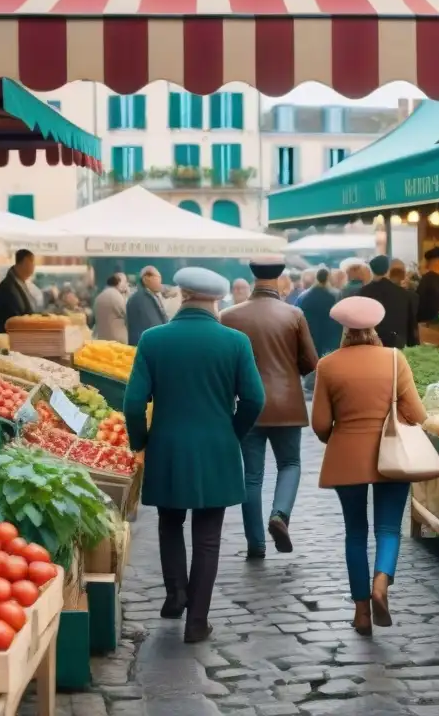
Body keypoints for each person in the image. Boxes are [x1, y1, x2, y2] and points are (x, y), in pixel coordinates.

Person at [123, 267, 265, 643]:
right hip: (217, 447)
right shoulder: (235, 342)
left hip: (167, 446)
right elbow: (254, 399)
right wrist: (231, 432)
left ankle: (176, 593)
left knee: (169, 523)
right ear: (216, 300)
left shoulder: (153, 340)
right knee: (208, 537)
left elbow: (134, 402)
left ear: (182, 294)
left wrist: (141, 441)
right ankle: (197, 620)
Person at [311, 296, 427, 636]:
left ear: (344, 329)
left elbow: (320, 424)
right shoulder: (394, 360)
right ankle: (381, 582)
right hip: (394, 457)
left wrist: (340, 434)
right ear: (375, 327)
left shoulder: (328, 365)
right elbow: (418, 415)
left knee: (355, 532)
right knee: (388, 528)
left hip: (346, 456)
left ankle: (362, 613)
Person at [221, 257, 318, 558]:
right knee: (290, 464)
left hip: (248, 405)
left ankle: (255, 544)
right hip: (287, 403)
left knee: (251, 475)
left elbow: (225, 365)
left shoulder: (228, 316)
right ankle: (280, 514)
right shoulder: (294, 314)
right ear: (280, 279)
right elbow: (311, 363)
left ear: (252, 278)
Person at [297, 268, 342, 393]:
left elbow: (297, 315)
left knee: (313, 360)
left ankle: (312, 385)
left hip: (311, 334)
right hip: (331, 335)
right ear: (328, 278)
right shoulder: (336, 295)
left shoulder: (304, 296)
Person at [360, 255, 418, 349]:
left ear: (371, 270)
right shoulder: (405, 294)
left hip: (370, 344)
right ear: (388, 270)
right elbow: (411, 326)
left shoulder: (362, 293)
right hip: (397, 344)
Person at [0, 249, 35, 333]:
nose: (33, 268)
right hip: (11, 338)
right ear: (23, 264)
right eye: (31, 263)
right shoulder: (8, 287)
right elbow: (15, 319)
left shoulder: (20, 283)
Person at [126, 265, 169, 345]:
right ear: (146, 279)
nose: (160, 281)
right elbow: (152, 324)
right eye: (158, 277)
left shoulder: (150, 296)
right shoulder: (140, 299)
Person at [94, 272, 129, 343]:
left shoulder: (99, 296)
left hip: (102, 338)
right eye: (125, 282)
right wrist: (126, 295)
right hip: (117, 340)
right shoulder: (117, 296)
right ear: (119, 282)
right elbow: (128, 314)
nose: (127, 285)